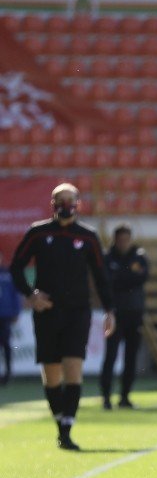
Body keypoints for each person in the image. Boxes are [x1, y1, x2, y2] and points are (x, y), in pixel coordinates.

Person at [10, 183, 115, 450]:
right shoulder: (38, 232)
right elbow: (16, 267)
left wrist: (110, 310)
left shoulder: (89, 237)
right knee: (51, 374)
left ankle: (67, 427)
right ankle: (59, 422)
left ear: (78, 204)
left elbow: (102, 278)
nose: (65, 205)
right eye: (60, 200)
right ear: (52, 204)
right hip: (47, 313)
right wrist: (31, 295)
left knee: (73, 368)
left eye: (70, 200)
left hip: (78, 312)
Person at [100, 223, 149, 410]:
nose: (123, 243)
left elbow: (141, 277)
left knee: (131, 357)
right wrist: (127, 276)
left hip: (134, 313)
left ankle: (125, 396)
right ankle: (106, 397)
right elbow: (107, 280)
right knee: (110, 356)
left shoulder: (140, 256)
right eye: (120, 240)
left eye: (126, 240)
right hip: (115, 314)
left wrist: (121, 276)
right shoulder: (107, 257)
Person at [0, 251, 21, 385]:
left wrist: (16, 312)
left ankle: (8, 374)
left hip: (5, 315)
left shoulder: (8, 273)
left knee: (6, 344)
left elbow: (15, 294)